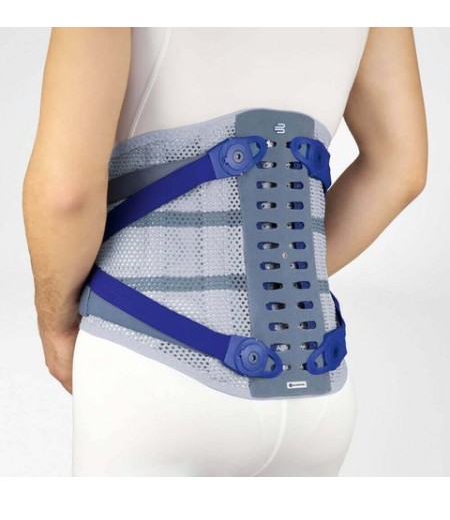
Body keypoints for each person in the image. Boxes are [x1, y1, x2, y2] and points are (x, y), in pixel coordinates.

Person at [22, 27, 427, 476]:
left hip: (151, 376)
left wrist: (55, 323)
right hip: (315, 400)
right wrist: (277, 284)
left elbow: (67, 194)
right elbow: (401, 169)